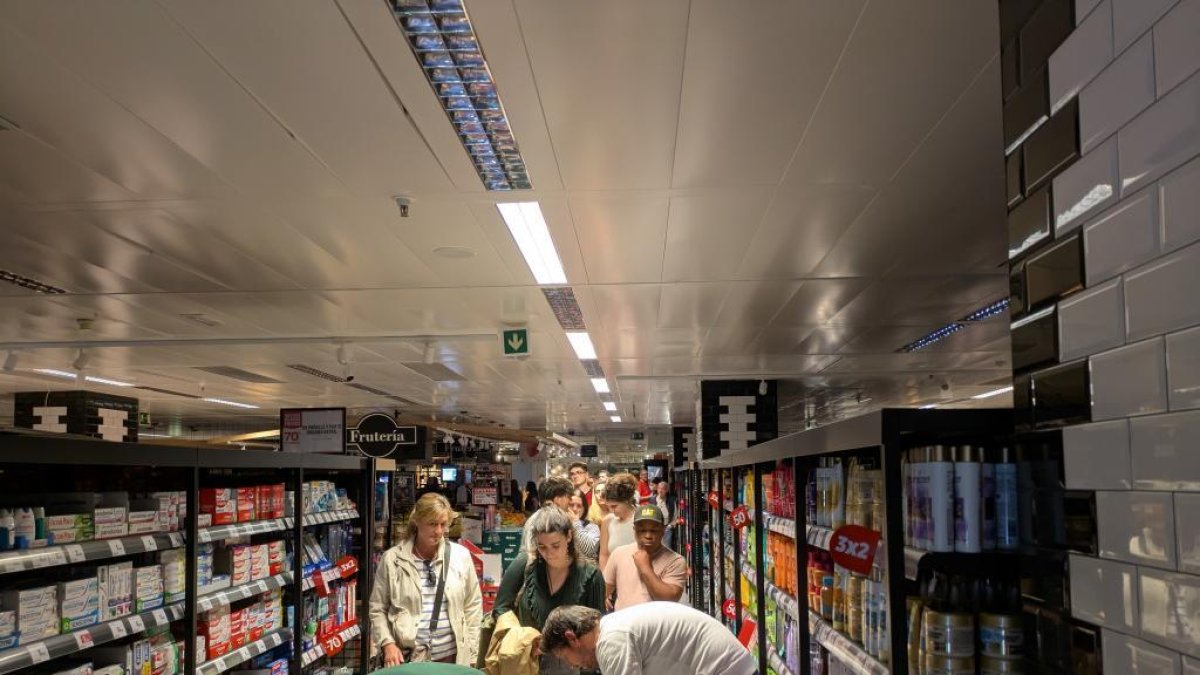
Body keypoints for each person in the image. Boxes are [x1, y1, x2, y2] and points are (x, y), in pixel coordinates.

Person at [370, 493, 483, 667]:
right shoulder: (392, 560)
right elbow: (378, 608)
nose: (438, 531)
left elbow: (473, 607)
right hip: (408, 661)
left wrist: (473, 655)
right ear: (417, 521)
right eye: (432, 524)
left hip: (452, 660)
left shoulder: (460, 557)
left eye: (443, 524)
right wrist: (388, 644)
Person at [492, 508, 606, 675]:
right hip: (524, 661)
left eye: (555, 545)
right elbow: (500, 608)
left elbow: (596, 631)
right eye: (542, 547)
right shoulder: (526, 564)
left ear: (569, 536)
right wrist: (524, 637)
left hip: (571, 665)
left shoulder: (590, 575)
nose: (549, 553)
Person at [542, 602, 758, 675]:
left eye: (565, 657)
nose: (573, 666)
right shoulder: (614, 626)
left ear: (572, 638)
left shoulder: (611, 640)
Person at [602, 504, 686, 610]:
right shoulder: (618, 554)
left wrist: (645, 568)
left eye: (654, 531)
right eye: (642, 530)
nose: (648, 536)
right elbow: (602, 591)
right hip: (624, 624)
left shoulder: (676, 561)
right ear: (634, 530)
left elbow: (669, 599)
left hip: (657, 626)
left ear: (663, 530)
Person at [597, 473, 638, 574]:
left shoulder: (640, 518)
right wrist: (605, 579)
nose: (611, 510)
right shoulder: (608, 521)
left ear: (627, 501)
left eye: (614, 506)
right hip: (614, 579)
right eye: (609, 506)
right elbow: (604, 554)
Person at [569, 489, 601, 566]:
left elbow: (589, 550)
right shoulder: (559, 525)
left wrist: (576, 523)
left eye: (579, 506)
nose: (575, 509)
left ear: (584, 508)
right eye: (571, 505)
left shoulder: (592, 527)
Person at [652, 479, 673, 549]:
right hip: (655, 527)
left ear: (667, 490)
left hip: (666, 527)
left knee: (667, 548)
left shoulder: (671, 501)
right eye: (659, 488)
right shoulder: (653, 499)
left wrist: (670, 525)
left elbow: (675, 515)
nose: (660, 491)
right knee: (655, 547)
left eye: (663, 489)